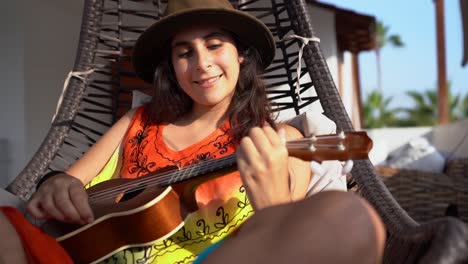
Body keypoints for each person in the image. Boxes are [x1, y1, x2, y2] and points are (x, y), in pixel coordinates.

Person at [0, 0, 386, 263]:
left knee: (349, 216)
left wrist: (272, 209)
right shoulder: (137, 123)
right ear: (171, 66)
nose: (201, 64)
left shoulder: (279, 140)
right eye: (185, 52)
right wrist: (55, 185)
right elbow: (66, 184)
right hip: (92, 255)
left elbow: (285, 242)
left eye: (215, 45)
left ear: (240, 55)